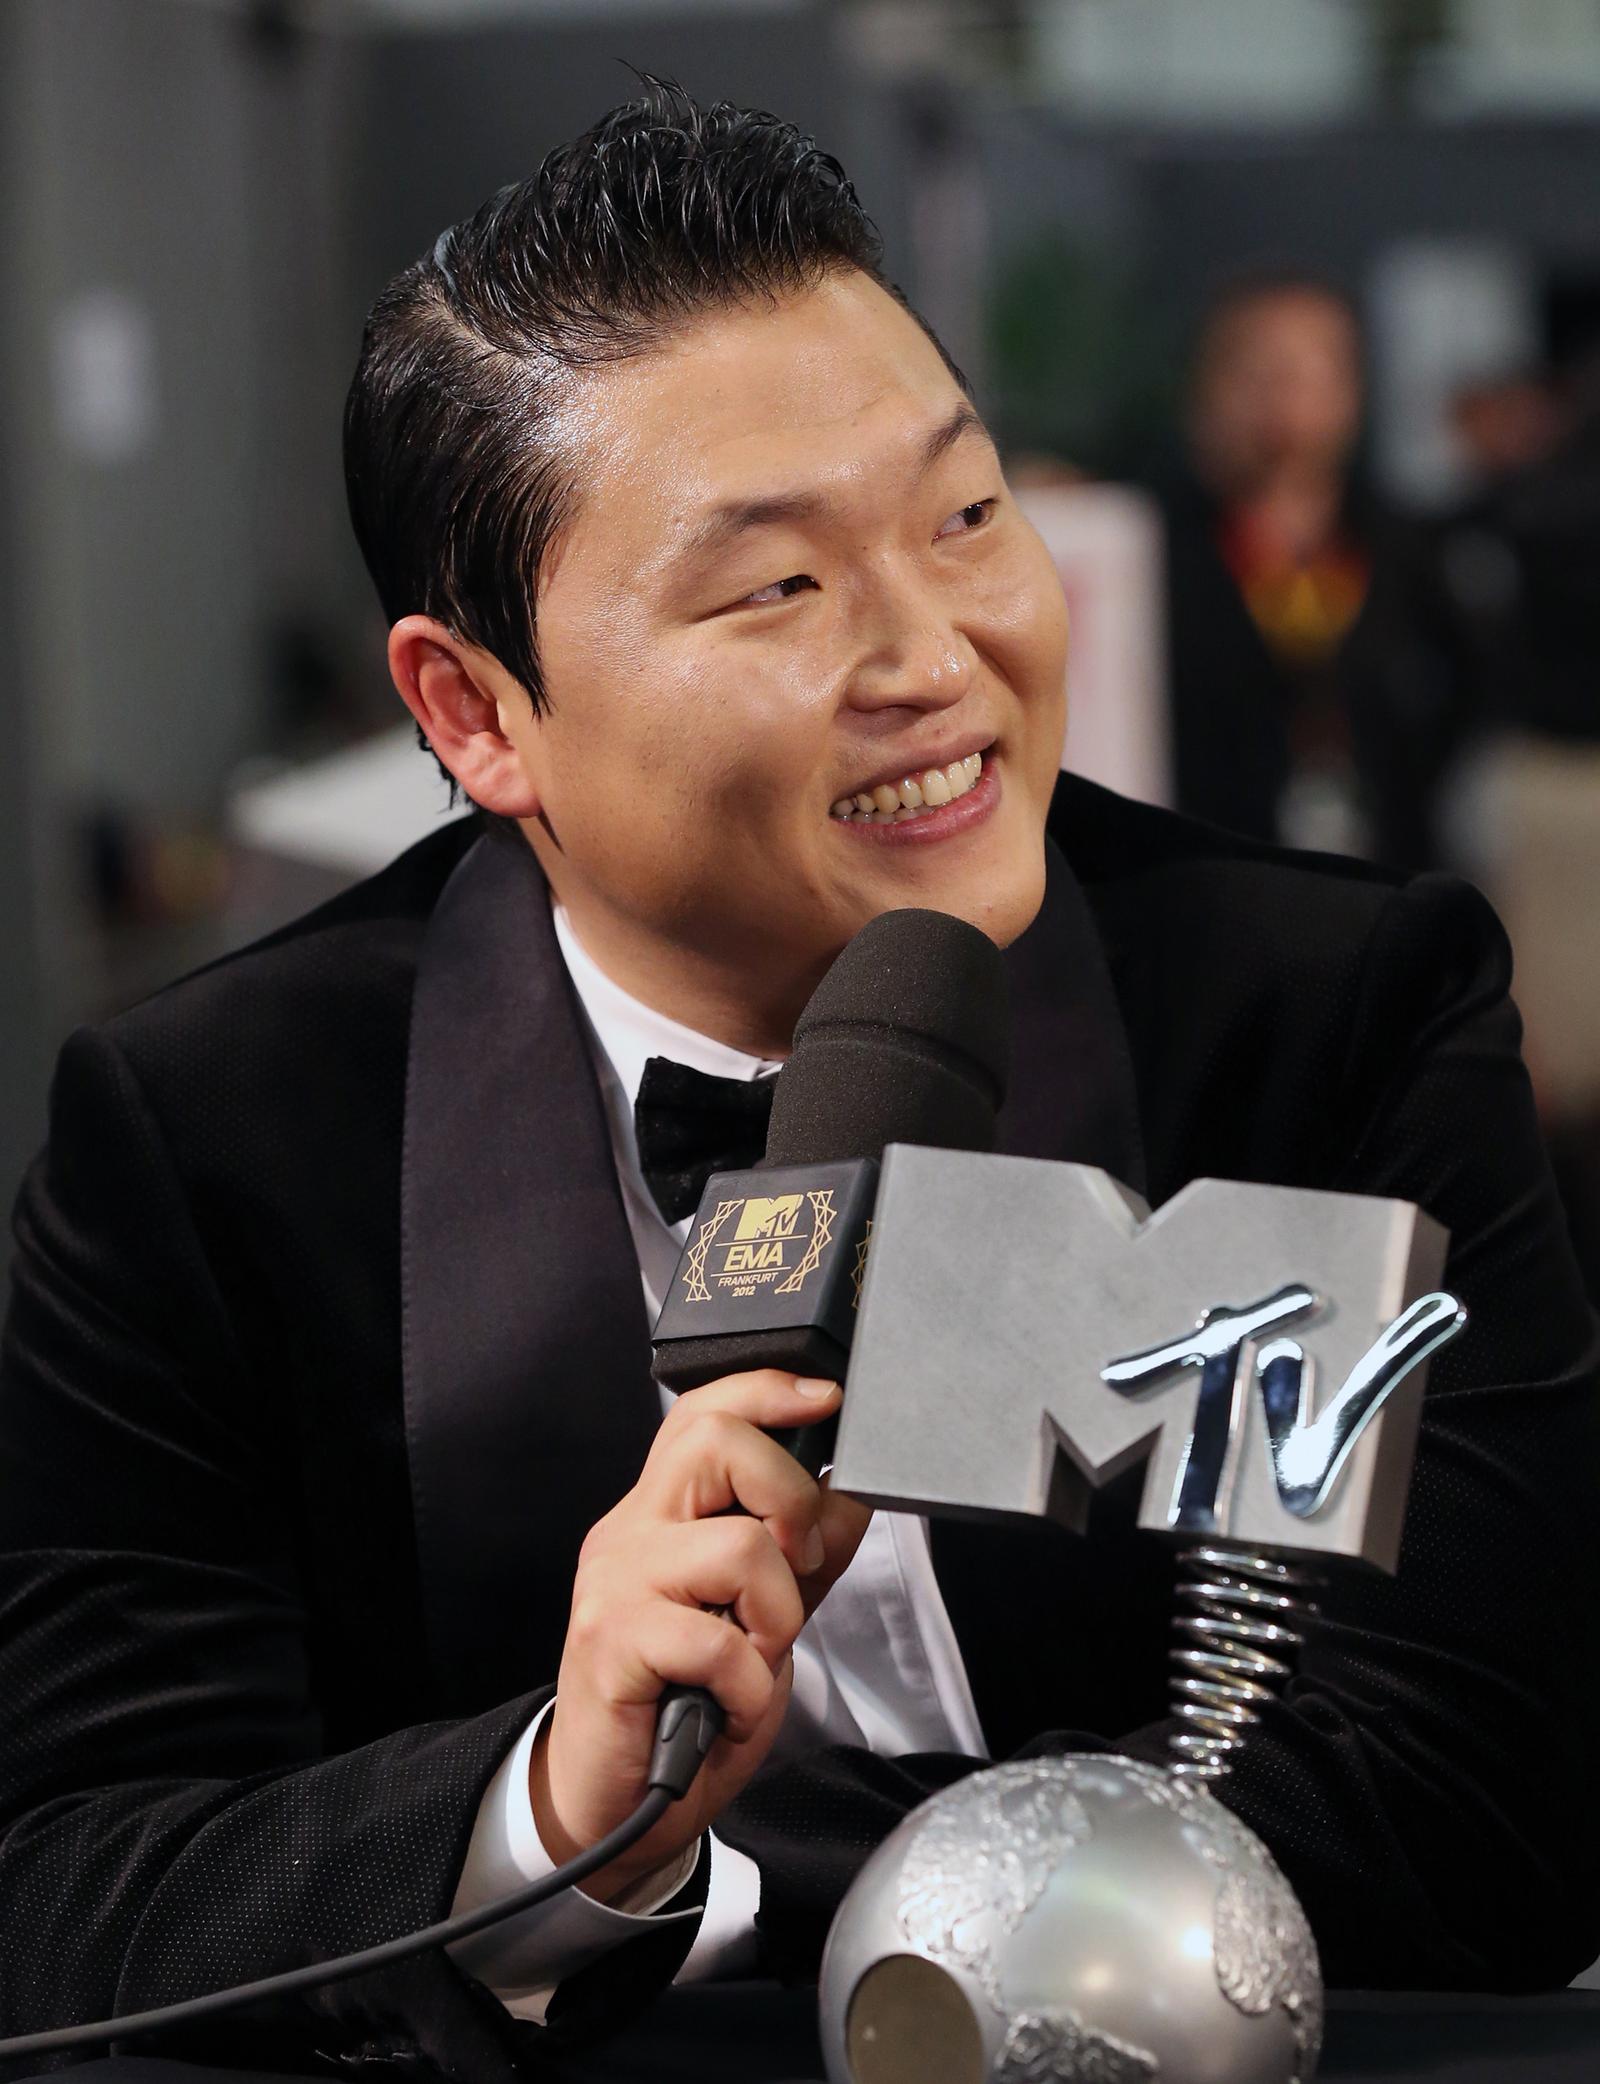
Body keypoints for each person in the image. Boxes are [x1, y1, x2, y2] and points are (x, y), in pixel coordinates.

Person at [3, 80, 1599, 2082]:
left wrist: (698, 1876)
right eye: (775, 585)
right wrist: (547, 1809)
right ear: (476, 712)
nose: (935, 654)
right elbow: (77, 1893)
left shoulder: (1325, 1019)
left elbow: (1491, 1803)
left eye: (964, 515)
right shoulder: (211, 1137)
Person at [1156, 271, 1474, 871]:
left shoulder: (1413, 555)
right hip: (1208, 881)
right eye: (1255, 369)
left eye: (1311, 368)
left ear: (1353, 391)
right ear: (1202, 391)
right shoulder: (1154, 554)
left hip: (1391, 879)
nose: (1284, 396)